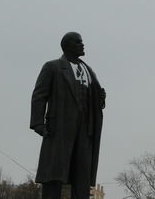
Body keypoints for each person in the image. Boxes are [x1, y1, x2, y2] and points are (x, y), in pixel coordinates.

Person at [30, 32, 106, 199]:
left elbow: (93, 97)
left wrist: (99, 98)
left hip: (85, 132)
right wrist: (38, 124)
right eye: (79, 42)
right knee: (54, 175)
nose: (83, 45)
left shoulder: (88, 70)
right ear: (68, 46)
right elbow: (39, 95)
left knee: (82, 176)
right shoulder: (53, 67)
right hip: (59, 130)